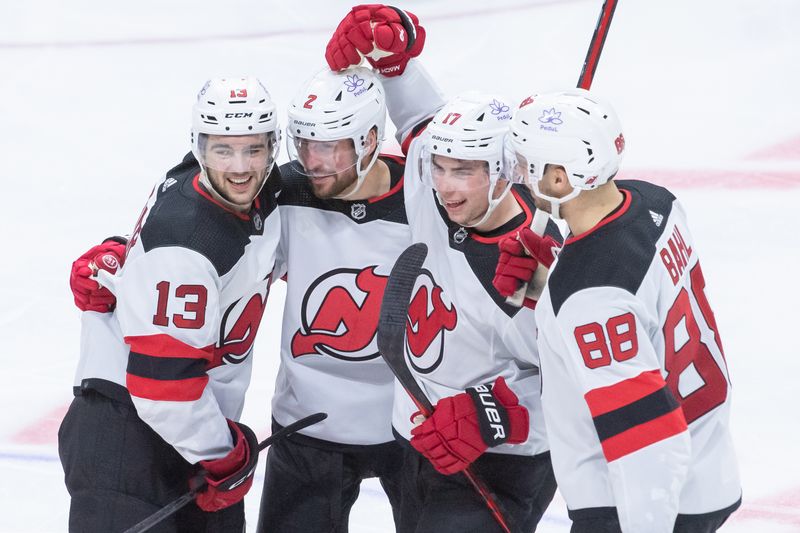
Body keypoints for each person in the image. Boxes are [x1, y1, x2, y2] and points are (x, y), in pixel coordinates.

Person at [326, 8, 559, 532]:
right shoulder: (434, 184)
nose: (447, 186)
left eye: (467, 172)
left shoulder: (536, 263)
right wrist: (393, 58)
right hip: (417, 436)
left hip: (501, 462)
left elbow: (568, 381)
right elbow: (421, 124)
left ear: (506, 170)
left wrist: (492, 412)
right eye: (441, 167)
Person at [494, 88, 742, 532]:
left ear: (558, 179)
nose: (517, 177)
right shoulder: (654, 202)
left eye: (524, 164)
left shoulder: (589, 297)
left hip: (637, 504)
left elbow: (650, 441)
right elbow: (639, 293)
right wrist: (554, 276)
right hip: (709, 460)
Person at [60, 77, 282, 532]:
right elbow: (163, 389)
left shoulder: (215, 185)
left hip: (186, 430)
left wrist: (116, 252)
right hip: (128, 439)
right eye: (223, 150)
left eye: (253, 150)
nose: (239, 167)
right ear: (200, 148)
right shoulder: (187, 243)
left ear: (272, 146)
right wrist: (223, 454)